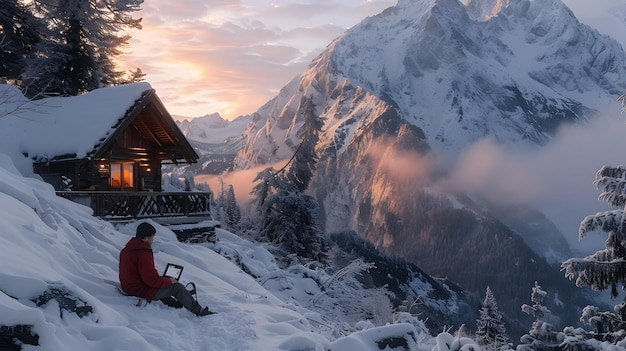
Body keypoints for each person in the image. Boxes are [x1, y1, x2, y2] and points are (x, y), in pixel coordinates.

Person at [119, 222, 213, 316]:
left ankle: (174, 303)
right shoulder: (143, 253)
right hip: (139, 290)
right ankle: (199, 311)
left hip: (130, 286)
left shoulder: (127, 249)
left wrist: (165, 280)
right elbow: (151, 280)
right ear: (146, 238)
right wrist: (170, 282)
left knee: (164, 280)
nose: (153, 239)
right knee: (177, 287)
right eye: (152, 237)